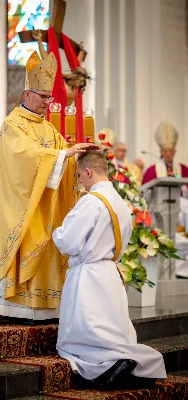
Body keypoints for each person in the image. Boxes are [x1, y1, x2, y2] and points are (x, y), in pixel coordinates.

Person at [0, 50, 98, 323]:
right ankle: (18, 309)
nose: (49, 102)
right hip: (21, 208)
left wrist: (78, 157)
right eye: (43, 96)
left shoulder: (49, 129)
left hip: (45, 208)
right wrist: (62, 156)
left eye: (50, 97)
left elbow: (63, 158)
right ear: (27, 94)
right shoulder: (12, 125)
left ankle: (47, 309)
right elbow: (21, 162)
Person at [53, 151, 166, 390]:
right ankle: (132, 366)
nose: (79, 181)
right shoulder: (121, 203)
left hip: (89, 277)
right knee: (111, 333)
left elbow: (68, 241)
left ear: (88, 172)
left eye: (79, 175)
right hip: (110, 275)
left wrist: (55, 231)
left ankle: (107, 369)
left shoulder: (91, 201)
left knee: (85, 339)